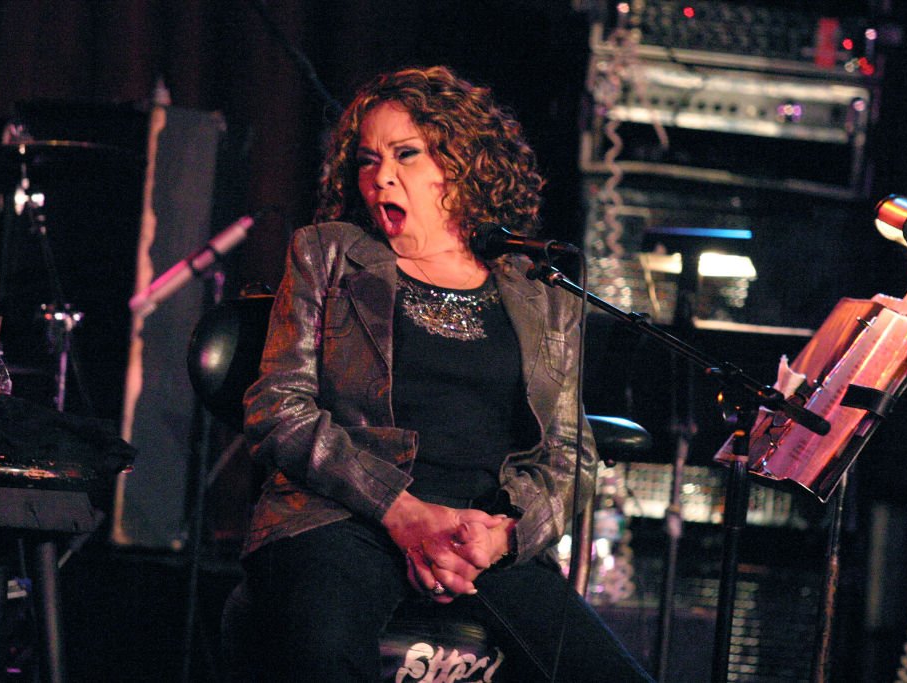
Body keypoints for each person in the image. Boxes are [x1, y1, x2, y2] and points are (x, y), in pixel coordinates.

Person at [239, 65, 654, 682]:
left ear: (462, 164)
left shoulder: (543, 296)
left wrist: (504, 538)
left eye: (406, 154)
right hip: (342, 518)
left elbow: (570, 454)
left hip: (480, 536)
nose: (381, 176)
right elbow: (280, 406)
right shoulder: (325, 252)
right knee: (324, 657)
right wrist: (402, 513)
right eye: (368, 160)